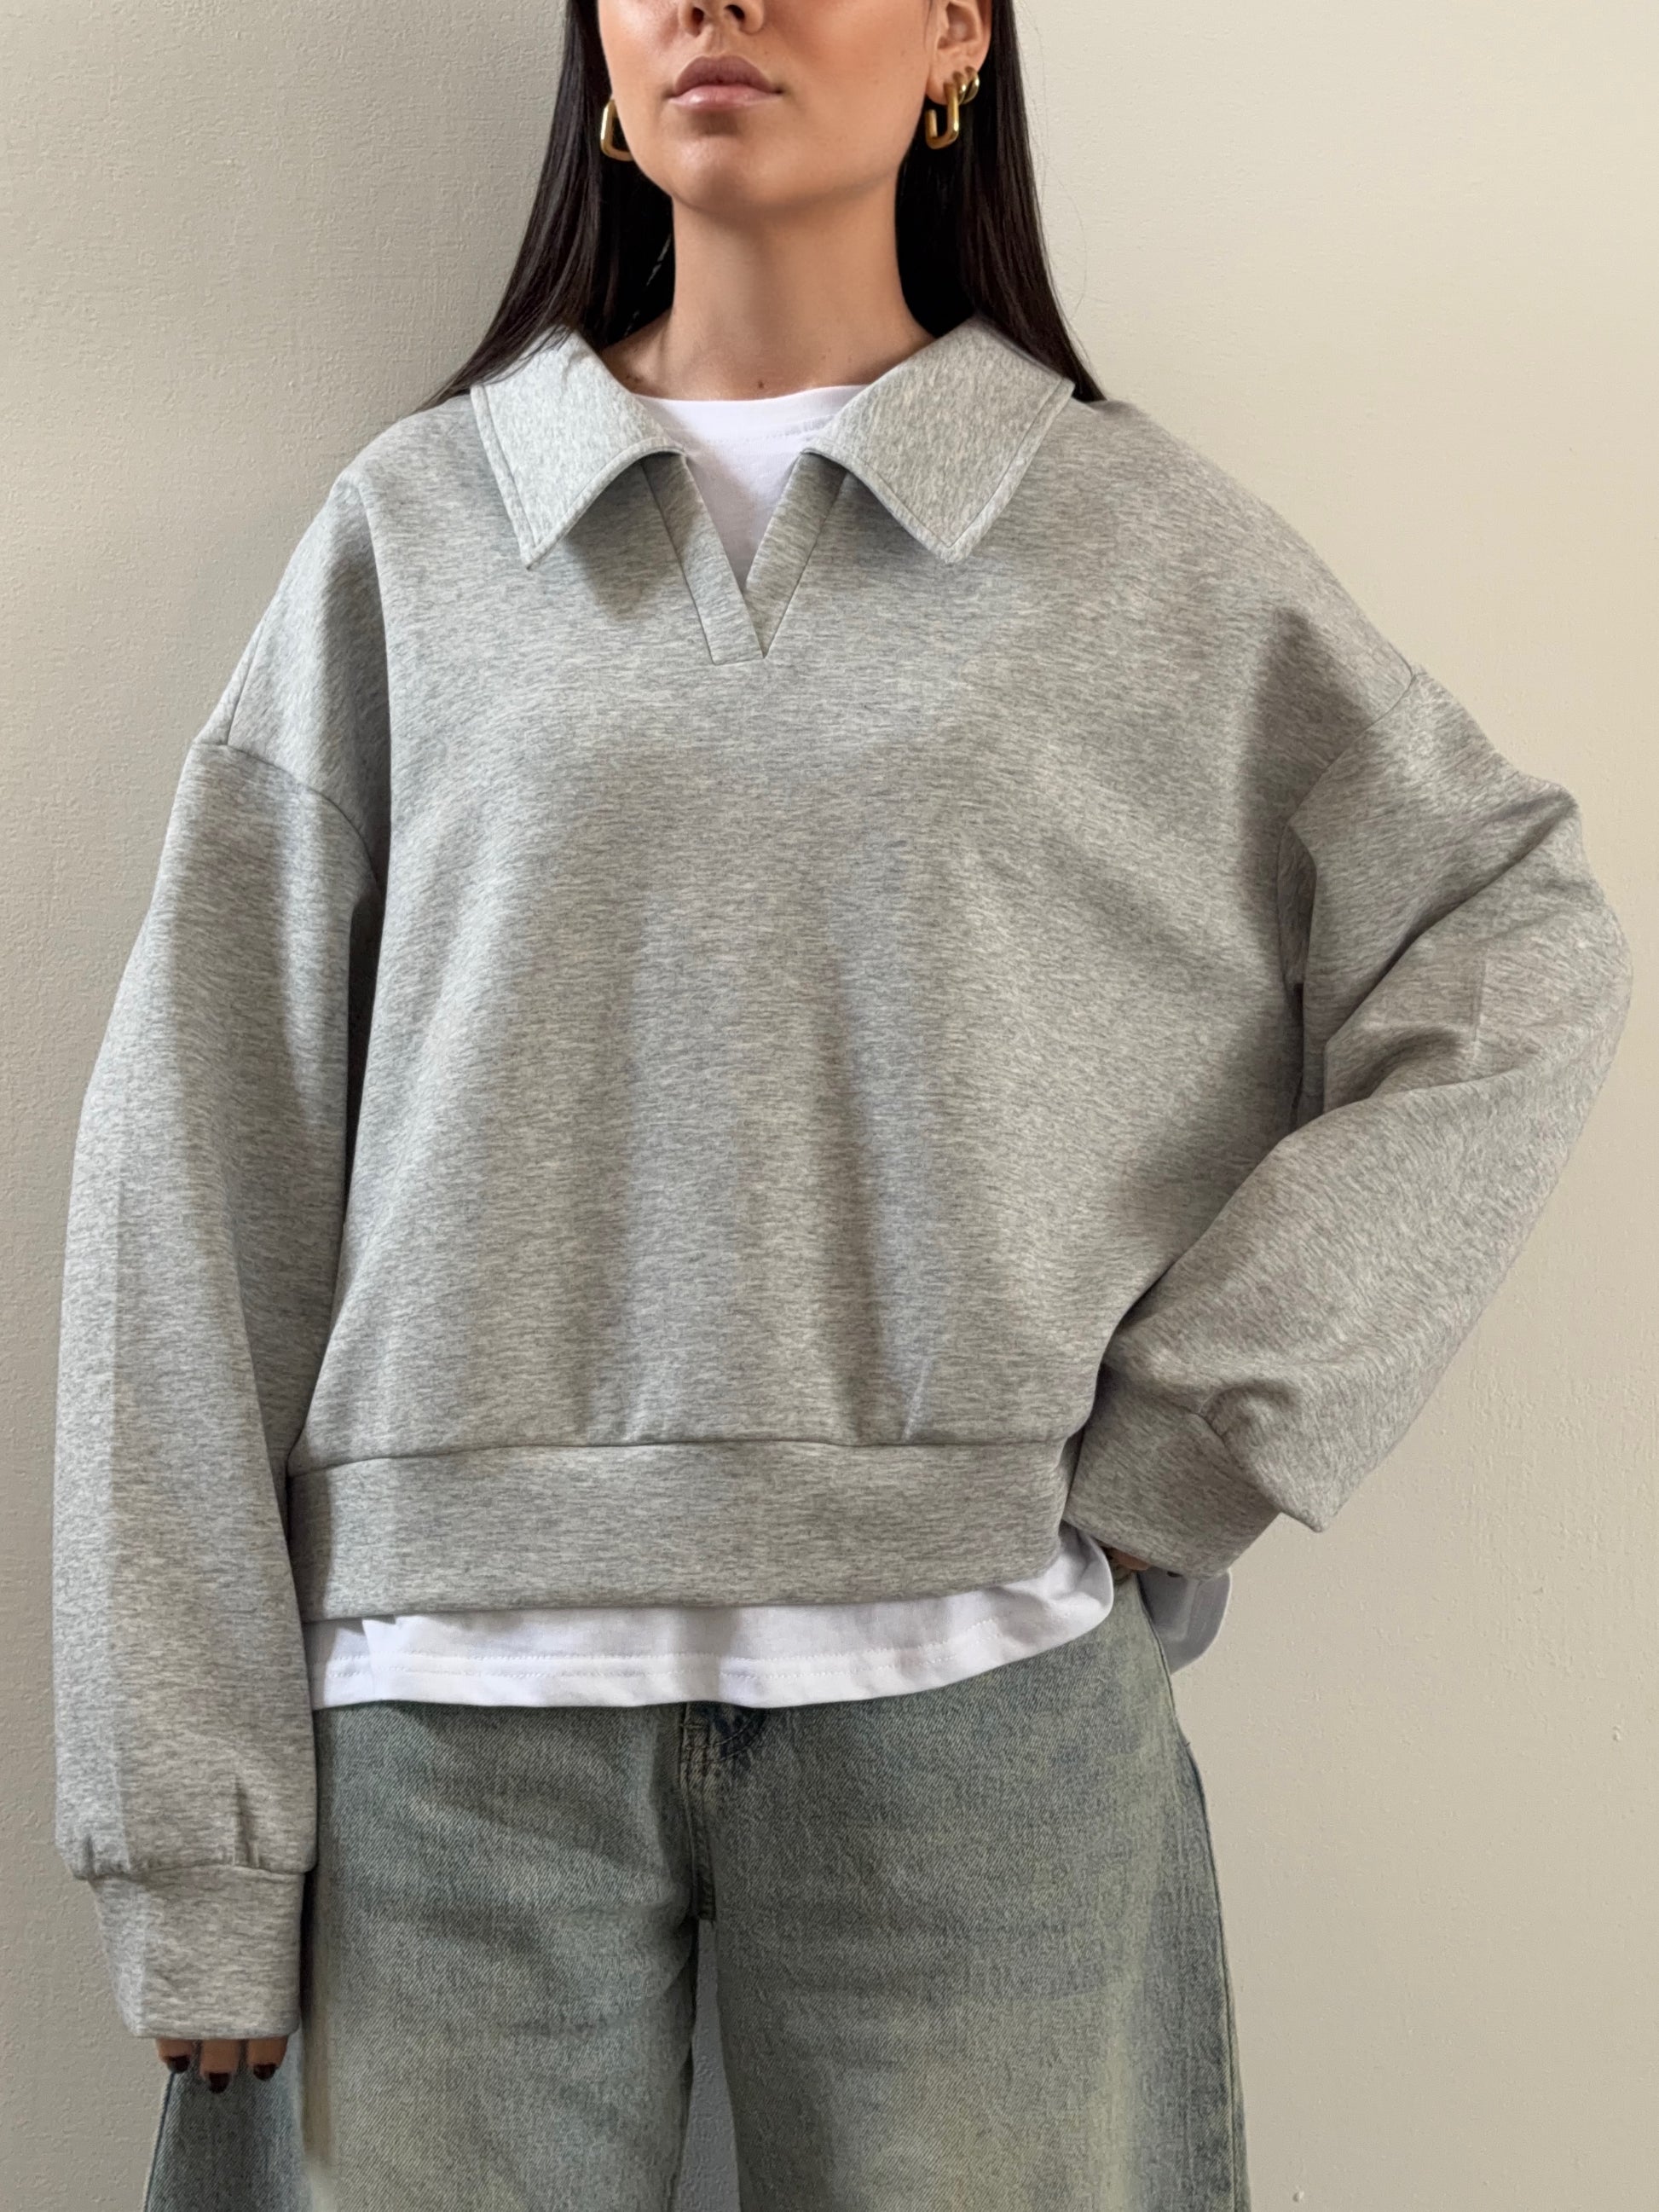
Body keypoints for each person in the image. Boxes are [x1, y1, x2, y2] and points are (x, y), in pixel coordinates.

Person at [50, 2, 1633, 2207]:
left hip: (978, 1691)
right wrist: (196, 1835)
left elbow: (1508, 936)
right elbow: (193, 1171)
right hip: (445, 1735)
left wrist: (1205, 1429)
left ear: (958, 36)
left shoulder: (1128, 536)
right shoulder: (415, 536)